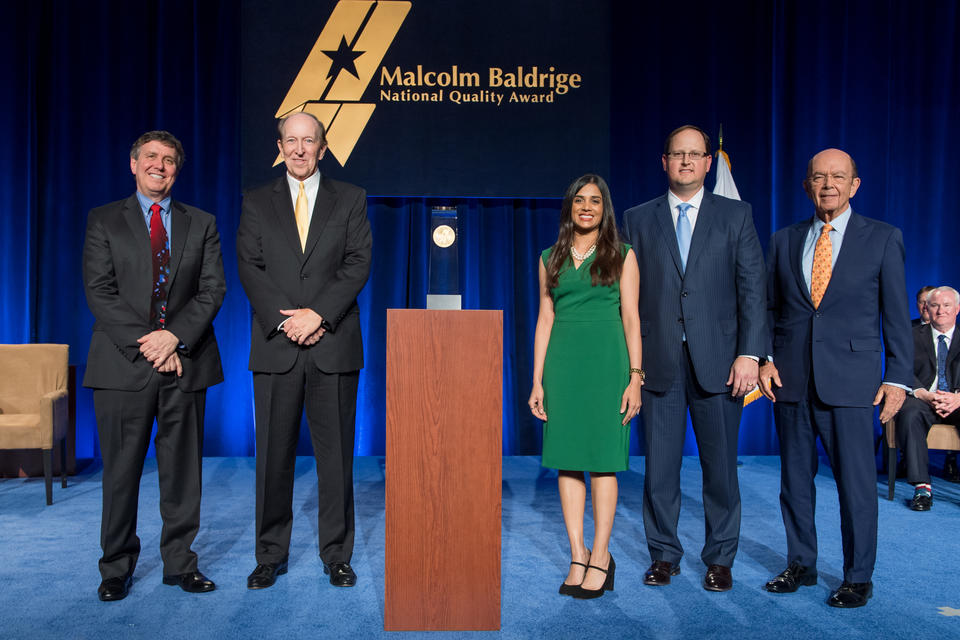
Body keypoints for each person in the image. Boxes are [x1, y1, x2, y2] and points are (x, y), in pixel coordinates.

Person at [759, 148, 912, 608]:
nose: (828, 184)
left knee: (856, 485)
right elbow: (769, 308)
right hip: (791, 380)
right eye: (819, 177)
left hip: (852, 382)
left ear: (855, 185)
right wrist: (765, 358)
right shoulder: (784, 240)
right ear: (806, 185)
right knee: (794, 483)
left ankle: (857, 576)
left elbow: (896, 316)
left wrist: (898, 378)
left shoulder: (883, 238)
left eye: (838, 177)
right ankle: (801, 564)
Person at [82, 130, 226, 601]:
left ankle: (180, 565)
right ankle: (115, 568)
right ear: (133, 164)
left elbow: (212, 290)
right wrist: (148, 343)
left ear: (176, 170)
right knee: (121, 473)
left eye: (168, 160)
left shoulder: (201, 223)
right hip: (123, 365)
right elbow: (99, 292)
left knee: (183, 475)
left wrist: (174, 337)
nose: (158, 166)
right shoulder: (104, 220)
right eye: (150, 157)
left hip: (185, 362)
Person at [622, 126, 766, 592]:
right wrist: (630, 366)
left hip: (722, 364)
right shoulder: (638, 218)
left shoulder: (736, 215)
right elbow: (628, 297)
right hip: (658, 362)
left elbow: (752, 289)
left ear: (709, 163)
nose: (686, 161)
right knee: (659, 470)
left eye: (695, 154)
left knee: (720, 470)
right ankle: (663, 556)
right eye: (677, 154)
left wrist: (750, 354)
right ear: (663, 162)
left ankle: (720, 559)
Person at [237, 111, 372, 589]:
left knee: (336, 458)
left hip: (332, 343)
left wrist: (318, 314)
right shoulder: (256, 201)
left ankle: (336, 553)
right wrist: (289, 320)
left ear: (323, 146)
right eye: (290, 141)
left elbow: (358, 262)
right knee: (273, 457)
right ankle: (269, 554)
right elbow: (250, 267)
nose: (299, 149)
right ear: (279, 146)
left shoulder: (350, 198)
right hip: (277, 347)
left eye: (308, 141)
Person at [528, 174, 641, 600]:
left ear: (604, 208)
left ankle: (603, 555)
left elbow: (631, 318)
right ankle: (578, 552)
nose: (587, 207)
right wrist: (537, 380)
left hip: (608, 365)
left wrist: (636, 377)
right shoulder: (549, 257)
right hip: (563, 366)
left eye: (595, 200)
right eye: (580, 200)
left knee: (603, 461)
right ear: (570, 208)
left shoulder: (622, 255)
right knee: (567, 460)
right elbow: (545, 318)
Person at [896, 286, 960, 509]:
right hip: (923, 397)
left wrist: (958, 398)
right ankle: (922, 487)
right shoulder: (911, 336)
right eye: (935, 305)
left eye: (946, 305)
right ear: (927, 309)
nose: (940, 310)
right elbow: (901, 369)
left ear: (957, 309)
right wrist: (922, 393)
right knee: (909, 412)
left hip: (957, 399)